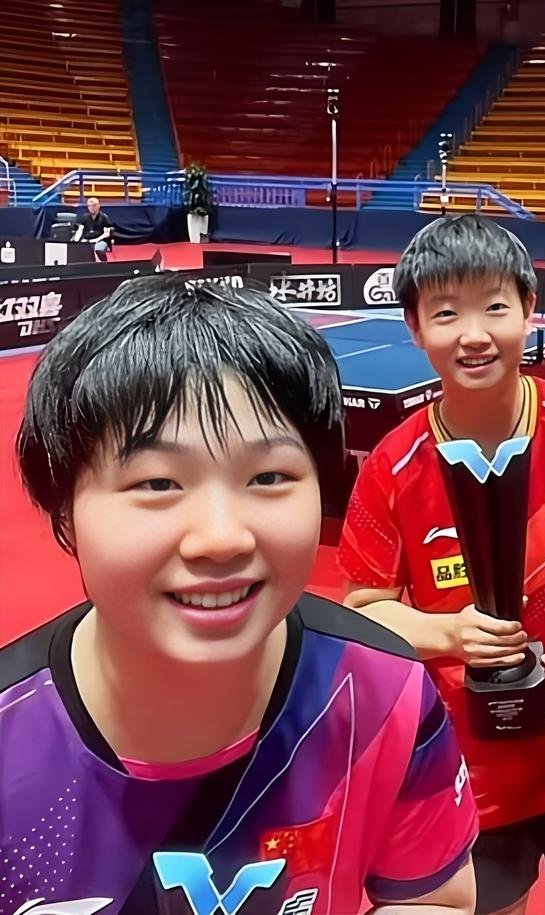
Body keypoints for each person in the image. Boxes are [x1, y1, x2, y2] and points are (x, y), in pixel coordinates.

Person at [4, 276, 478, 913]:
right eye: (157, 483)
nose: (222, 539)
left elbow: (437, 899)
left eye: (269, 476)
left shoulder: (385, 691)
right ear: (64, 511)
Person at [340, 215, 545, 915]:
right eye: (445, 313)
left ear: (529, 307)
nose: (473, 334)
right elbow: (364, 608)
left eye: (494, 306)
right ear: (414, 327)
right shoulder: (392, 468)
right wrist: (449, 633)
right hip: (466, 772)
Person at [72, 196, 114, 262]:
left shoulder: (104, 218)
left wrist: (96, 240)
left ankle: (104, 264)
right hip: (86, 240)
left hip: (100, 240)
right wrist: (77, 240)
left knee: (99, 249)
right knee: (77, 250)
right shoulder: (84, 217)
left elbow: (107, 233)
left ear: (98, 206)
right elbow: (79, 229)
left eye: (94, 205)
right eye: (89, 206)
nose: (91, 208)